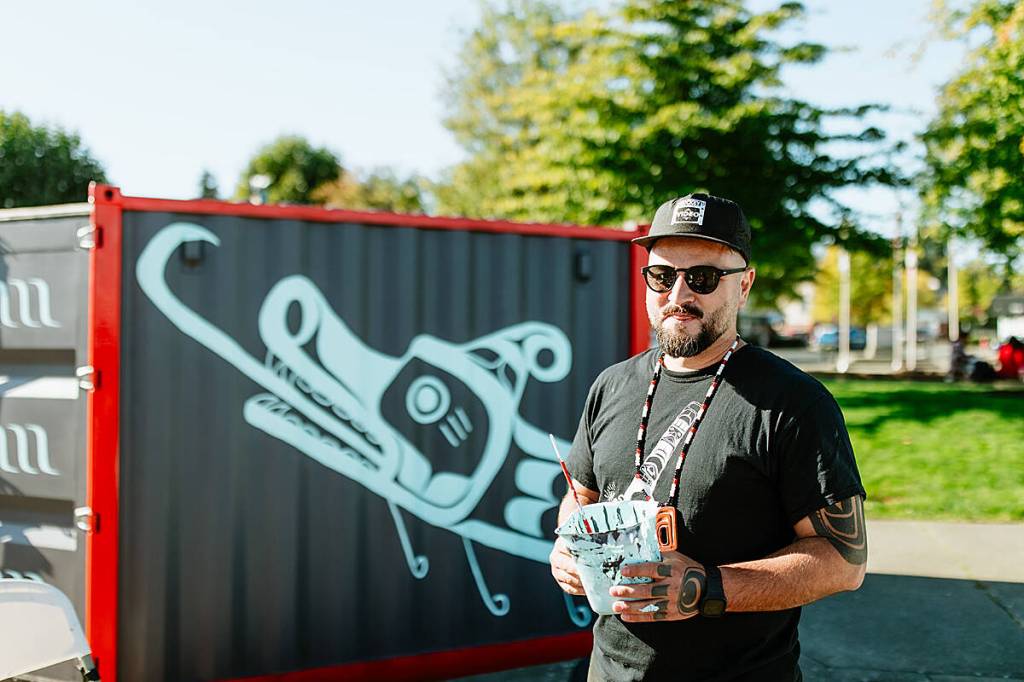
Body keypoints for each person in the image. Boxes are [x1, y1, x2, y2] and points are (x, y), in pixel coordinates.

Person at [549, 193, 867, 681]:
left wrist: (705, 586)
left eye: (702, 277)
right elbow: (582, 494)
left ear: (744, 287)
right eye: (661, 275)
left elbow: (843, 561)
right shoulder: (612, 384)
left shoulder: (794, 403)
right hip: (609, 670)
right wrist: (567, 545)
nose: (678, 295)